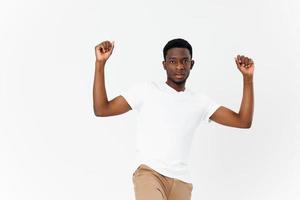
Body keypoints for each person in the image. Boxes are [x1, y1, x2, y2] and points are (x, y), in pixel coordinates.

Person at [93, 38, 254, 200]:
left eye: (185, 61)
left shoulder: (200, 101)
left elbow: (243, 121)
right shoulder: (146, 90)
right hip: (150, 173)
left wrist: (247, 79)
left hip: (182, 181)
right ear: (164, 65)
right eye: (172, 61)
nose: (179, 66)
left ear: (192, 64)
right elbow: (102, 109)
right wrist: (100, 64)